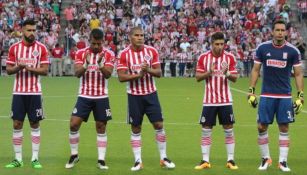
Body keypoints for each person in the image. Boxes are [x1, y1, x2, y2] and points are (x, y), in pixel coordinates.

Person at [248, 19, 304, 172]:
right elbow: (255, 70)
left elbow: (298, 74)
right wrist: (251, 91)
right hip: (266, 95)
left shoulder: (293, 51)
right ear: (272, 31)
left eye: (282, 30)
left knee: (284, 127)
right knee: (261, 126)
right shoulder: (262, 48)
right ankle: (266, 158)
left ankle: (283, 162)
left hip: (285, 96)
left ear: (286, 32)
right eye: (277, 30)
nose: (280, 33)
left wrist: (300, 96)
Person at [117, 26, 175, 171]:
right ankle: (138, 160)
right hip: (134, 95)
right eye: (136, 35)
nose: (140, 38)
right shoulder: (124, 54)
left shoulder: (151, 51)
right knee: (136, 127)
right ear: (130, 37)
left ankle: (163, 157)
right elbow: (121, 77)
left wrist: (147, 69)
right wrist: (138, 75)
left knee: (159, 125)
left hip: (151, 94)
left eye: (142, 35)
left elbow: (159, 72)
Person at [64, 29, 115, 170]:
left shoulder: (109, 54)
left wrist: (100, 64)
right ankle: (74, 155)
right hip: (84, 95)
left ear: (103, 41)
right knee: (73, 124)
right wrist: (86, 64)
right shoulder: (81, 53)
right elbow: (77, 74)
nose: (96, 46)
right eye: (94, 43)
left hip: (101, 96)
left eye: (99, 43)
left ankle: (101, 160)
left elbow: (108, 74)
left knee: (101, 127)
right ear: (89, 40)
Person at [5, 19, 49, 169]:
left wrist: (29, 68)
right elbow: (8, 70)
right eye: (29, 30)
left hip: (35, 92)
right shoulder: (14, 48)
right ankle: (18, 159)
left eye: (34, 30)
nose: (32, 33)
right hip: (18, 92)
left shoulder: (42, 48)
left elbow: (45, 70)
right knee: (17, 124)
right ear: (22, 30)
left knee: (34, 123)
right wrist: (19, 66)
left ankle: (35, 158)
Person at [194, 32, 239, 170]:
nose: (220, 47)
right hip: (209, 101)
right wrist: (209, 72)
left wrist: (227, 73)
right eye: (217, 44)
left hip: (225, 100)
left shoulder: (230, 57)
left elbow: (235, 78)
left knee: (228, 130)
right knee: (206, 129)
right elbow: (197, 77)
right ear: (211, 44)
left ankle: (231, 160)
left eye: (222, 44)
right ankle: (205, 160)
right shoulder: (203, 57)